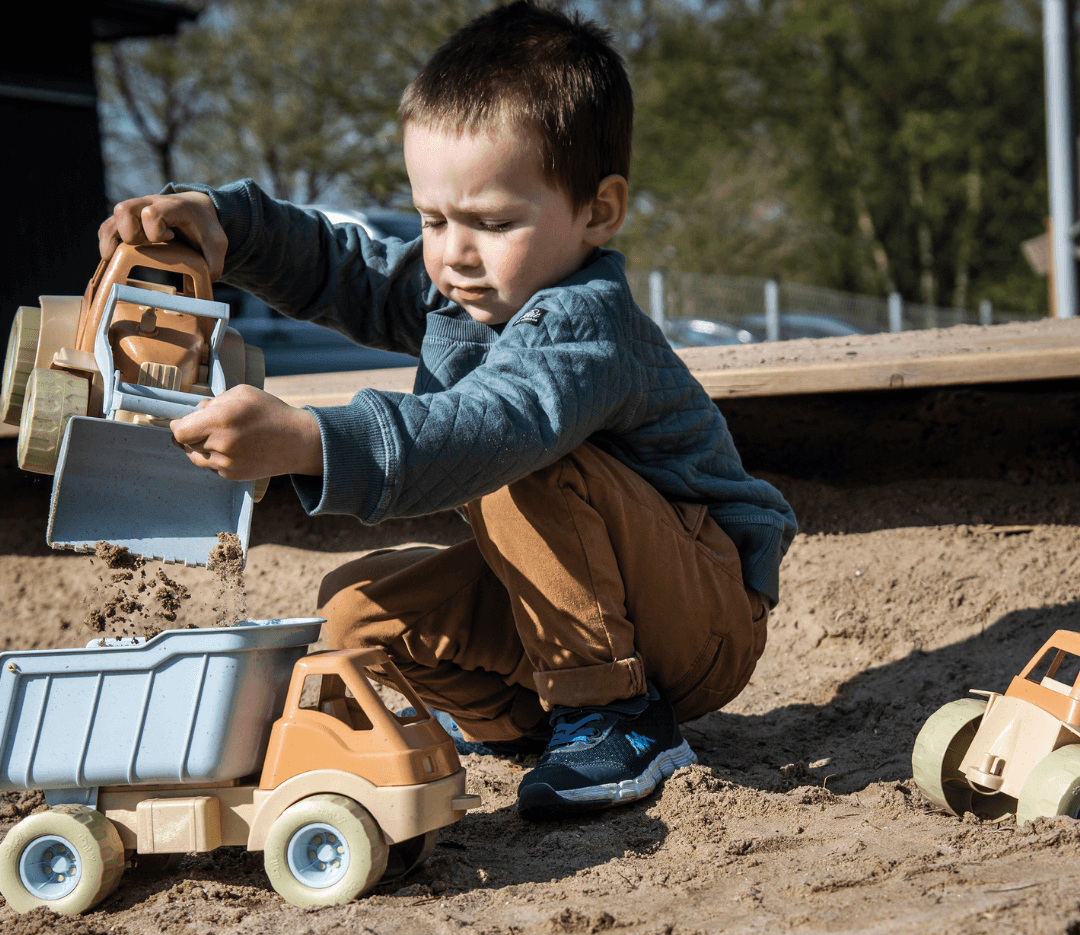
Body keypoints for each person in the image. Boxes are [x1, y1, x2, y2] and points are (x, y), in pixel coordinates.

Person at [98, 0, 797, 820]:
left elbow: (485, 429)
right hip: (603, 603)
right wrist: (227, 224)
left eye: (493, 221)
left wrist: (310, 440)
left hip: (701, 613)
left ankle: (613, 712)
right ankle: (528, 726)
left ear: (598, 211)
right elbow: (342, 267)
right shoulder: (460, 293)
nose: (453, 252)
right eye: (434, 218)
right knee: (354, 617)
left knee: (522, 460)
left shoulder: (585, 324)